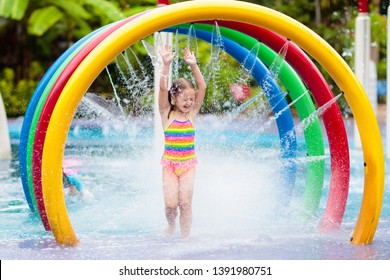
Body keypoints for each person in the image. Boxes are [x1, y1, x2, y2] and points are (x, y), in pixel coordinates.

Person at [158, 45, 206, 238]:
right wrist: (166, 65)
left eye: (191, 98)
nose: (189, 102)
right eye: (184, 98)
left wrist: (194, 66)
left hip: (188, 165)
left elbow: (202, 87)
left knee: (185, 203)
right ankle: (171, 225)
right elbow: (162, 88)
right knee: (171, 204)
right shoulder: (166, 113)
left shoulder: (192, 114)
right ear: (174, 97)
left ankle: (185, 237)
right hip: (169, 165)